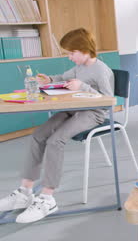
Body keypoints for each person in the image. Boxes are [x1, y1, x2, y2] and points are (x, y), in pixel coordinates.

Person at [0, 28, 114, 223]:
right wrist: (50, 79)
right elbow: (63, 77)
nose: (69, 57)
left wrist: (83, 87)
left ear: (84, 50)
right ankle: (25, 192)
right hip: (73, 108)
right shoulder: (79, 67)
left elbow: (109, 100)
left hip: (93, 113)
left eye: (71, 53)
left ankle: (47, 198)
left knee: (55, 140)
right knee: (38, 134)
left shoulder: (102, 70)